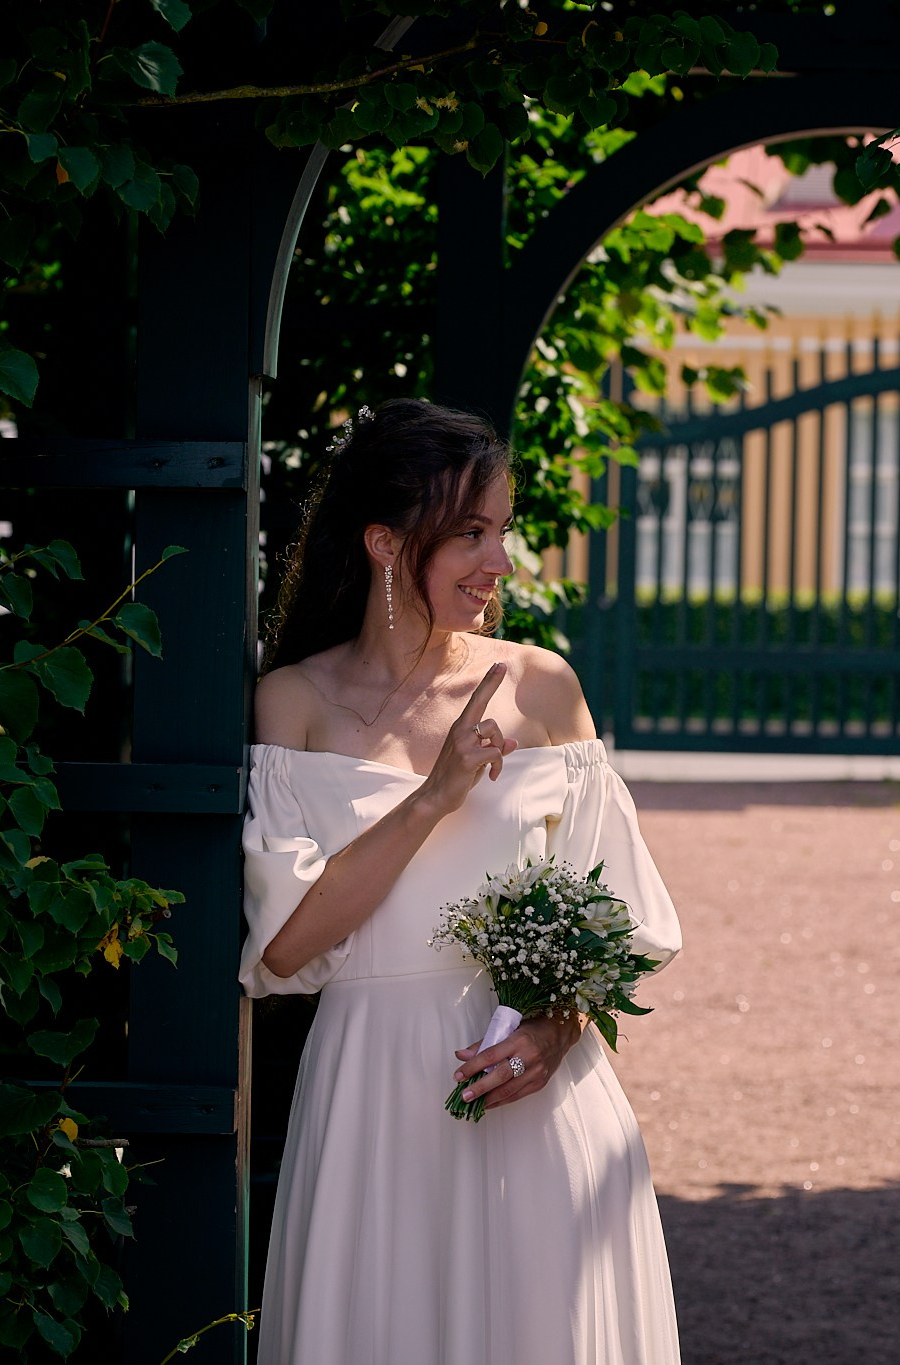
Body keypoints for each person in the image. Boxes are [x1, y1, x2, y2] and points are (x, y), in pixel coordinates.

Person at [241, 400, 683, 1365]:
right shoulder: (296, 701)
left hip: (535, 1097)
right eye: (469, 534)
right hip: (371, 1094)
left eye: (503, 531)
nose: (500, 561)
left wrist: (556, 1030)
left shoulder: (542, 686)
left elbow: (618, 920)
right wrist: (433, 794)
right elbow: (283, 947)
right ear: (385, 541)